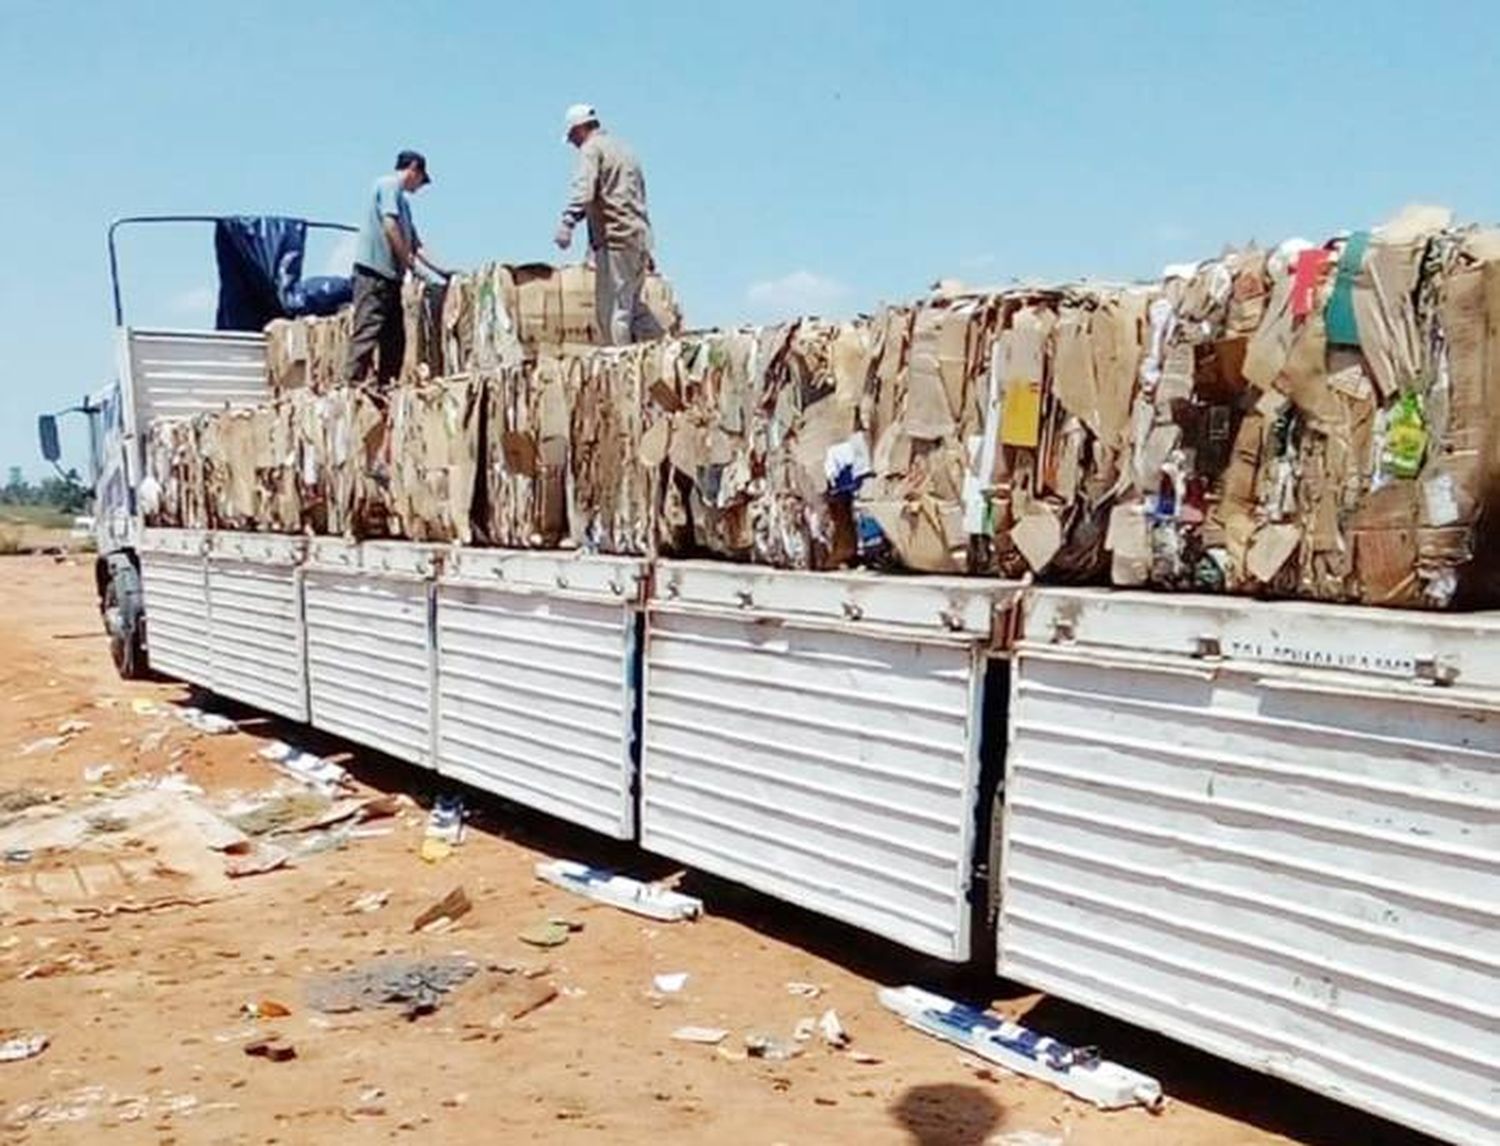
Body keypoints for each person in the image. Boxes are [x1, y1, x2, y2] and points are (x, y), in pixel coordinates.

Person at [553, 105, 662, 346]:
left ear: (580, 129)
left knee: (612, 311)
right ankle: (663, 347)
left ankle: (620, 366)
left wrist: (568, 222)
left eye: (572, 137)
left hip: (615, 238)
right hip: (638, 237)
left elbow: (584, 190)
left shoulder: (592, 150)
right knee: (633, 306)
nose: (573, 143)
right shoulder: (626, 151)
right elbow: (638, 199)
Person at [345, 149, 450, 387]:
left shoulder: (404, 204)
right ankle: (351, 386)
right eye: (421, 179)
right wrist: (407, 261)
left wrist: (442, 271)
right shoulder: (387, 186)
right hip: (374, 273)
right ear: (413, 169)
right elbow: (389, 226)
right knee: (368, 331)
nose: (420, 186)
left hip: (391, 277)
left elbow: (417, 244)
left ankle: (385, 389)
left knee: (395, 339)